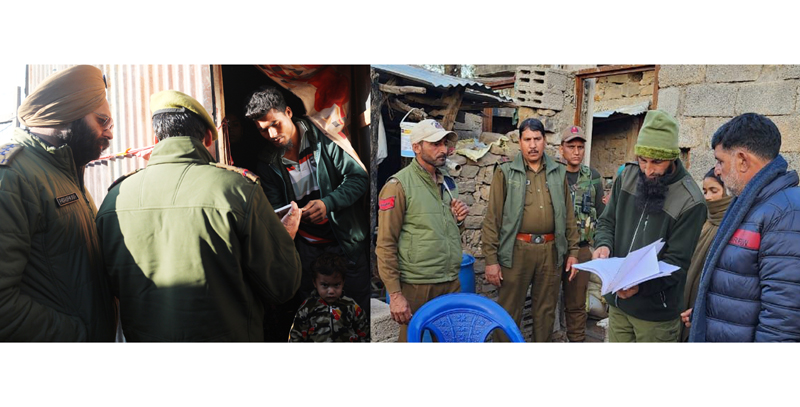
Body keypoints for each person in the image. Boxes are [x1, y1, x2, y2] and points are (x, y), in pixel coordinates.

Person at [96, 90, 302, 341]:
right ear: (207, 137)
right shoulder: (238, 189)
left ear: (156, 139)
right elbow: (282, 286)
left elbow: (105, 289)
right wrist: (283, 238)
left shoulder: (114, 200)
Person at [0, 65, 116, 341]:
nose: (110, 134)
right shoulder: (12, 178)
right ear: (68, 115)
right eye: (102, 121)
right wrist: (77, 335)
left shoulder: (65, 171)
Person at [244, 86, 370, 340]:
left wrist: (328, 203)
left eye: (275, 124)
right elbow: (276, 210)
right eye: (263, 130)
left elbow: (359, 179)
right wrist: (292, 218)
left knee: (358, 312)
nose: (271, 134)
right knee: (312, 317)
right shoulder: (267, 162)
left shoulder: (324, 137)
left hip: (346, 243)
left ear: (289, 112)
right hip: (306, 251)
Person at [591, 110, 706, 342]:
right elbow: (607, 221)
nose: (648, 170)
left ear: (672, 158)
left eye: (657, 162)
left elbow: (677, 263)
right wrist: (603, 244)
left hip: (656, 316)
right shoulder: (628, 176)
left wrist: (640, 288)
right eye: (642, 160)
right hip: (618, 304)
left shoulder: (691, 201)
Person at [689, 113, 800, 342]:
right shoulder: (750, 204)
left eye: (720, 161)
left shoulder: (785, 214)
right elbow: (741, 284)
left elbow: (783, 318)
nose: (716, 170)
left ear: (742, 160)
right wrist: (707, 313)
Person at [482, 118, 579, 342]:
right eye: (527, 140)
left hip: (550, 251)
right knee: (509, 310)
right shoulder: (506, 172)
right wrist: (491, 260)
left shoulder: (558, 172)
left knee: (545, 311)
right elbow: (492, 218)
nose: (533, 145)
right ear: (520, 142)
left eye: (537, 139)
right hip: (516, 250)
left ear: (545, 140)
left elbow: (568, 215)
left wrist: (573, 252)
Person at [376, 119, 469, 342]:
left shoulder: (447, 182)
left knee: (449, 342)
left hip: (450, 280)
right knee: (411, 342)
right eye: (435, 144)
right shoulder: (398, 185)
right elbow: (385, 243)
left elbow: (443, 231)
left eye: (444, 143)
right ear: (416, 147)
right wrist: (395, 295)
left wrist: (458, 221)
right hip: (416, 284)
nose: (443, 149)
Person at [558, 125, 605, 342]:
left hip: (583, 249)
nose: (576, 152)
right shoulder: (554, 175)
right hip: (555, 248)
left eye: (580, 147)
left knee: (577, 303)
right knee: (546, 301)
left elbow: (601, 213)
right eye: (571, 147)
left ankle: (576, 340)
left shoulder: (593, 176)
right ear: (561, 149)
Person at [678, 168, 731, 341]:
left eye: (714, 191)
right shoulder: (705, 220)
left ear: (728, 191)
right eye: (705, 191)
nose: (707, 197)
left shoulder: (732, 226)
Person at [289, 252, 368, 342]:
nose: (331, 291)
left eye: (336, 285)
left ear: (343, 282)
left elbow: (364, 334)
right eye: (325, 285)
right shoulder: (307, 308)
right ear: (315, 283)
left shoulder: (351, 306)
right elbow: (295, 337)